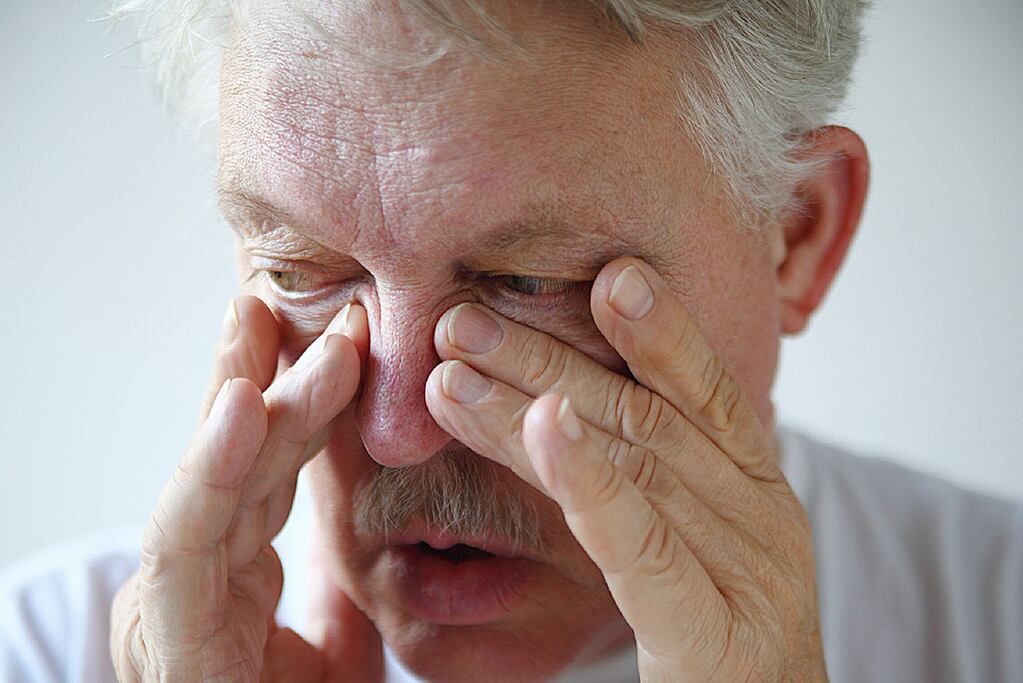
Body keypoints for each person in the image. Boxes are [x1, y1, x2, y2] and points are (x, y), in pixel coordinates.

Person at [2, 1, 1021, 681]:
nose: (400, 428)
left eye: (530, 283)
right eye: (305, 269)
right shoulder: (47, 648)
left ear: (796, 234)